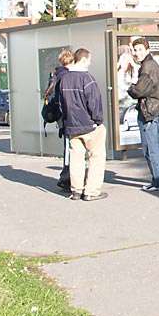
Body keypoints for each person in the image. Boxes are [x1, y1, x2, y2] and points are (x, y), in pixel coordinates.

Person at [58, 48, 107, 201]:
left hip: (72, 125)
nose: (90, 63)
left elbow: (61, 104)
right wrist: (98, 121)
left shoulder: (64, 79)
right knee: (96, 157)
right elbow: (94, 102)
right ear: (84, 59)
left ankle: (76, 191)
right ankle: (91, 191)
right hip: (89, 125)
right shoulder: (87, 78)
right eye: (89, 60)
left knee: (76, 159)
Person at [128, 37, 159, 192]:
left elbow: (139, 90)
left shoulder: (147, 67)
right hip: (155, 109)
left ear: (147, 50)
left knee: (151, 148)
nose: (137, 53)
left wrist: (131, 87)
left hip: (150, 111)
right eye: (135, 50)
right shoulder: (151, 64)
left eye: (140, 49)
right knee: (156, 146)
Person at [44, 48, 75, 192]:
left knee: (68, 147)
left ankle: (67, 178)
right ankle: (66, 179)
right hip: (67, 117)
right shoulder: (66, 76)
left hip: (61, 118)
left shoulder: (56, 74)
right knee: (70, 148)